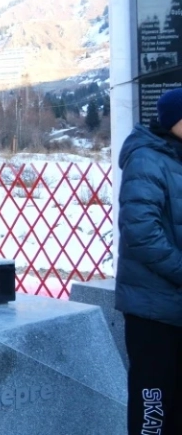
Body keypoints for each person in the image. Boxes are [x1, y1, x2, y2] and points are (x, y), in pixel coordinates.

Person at [117, 87, 182, 434]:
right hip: (153, 307)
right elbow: (141, 232)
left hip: (176, 304)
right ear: (174, 121)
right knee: (153, 404)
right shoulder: (147, 159)